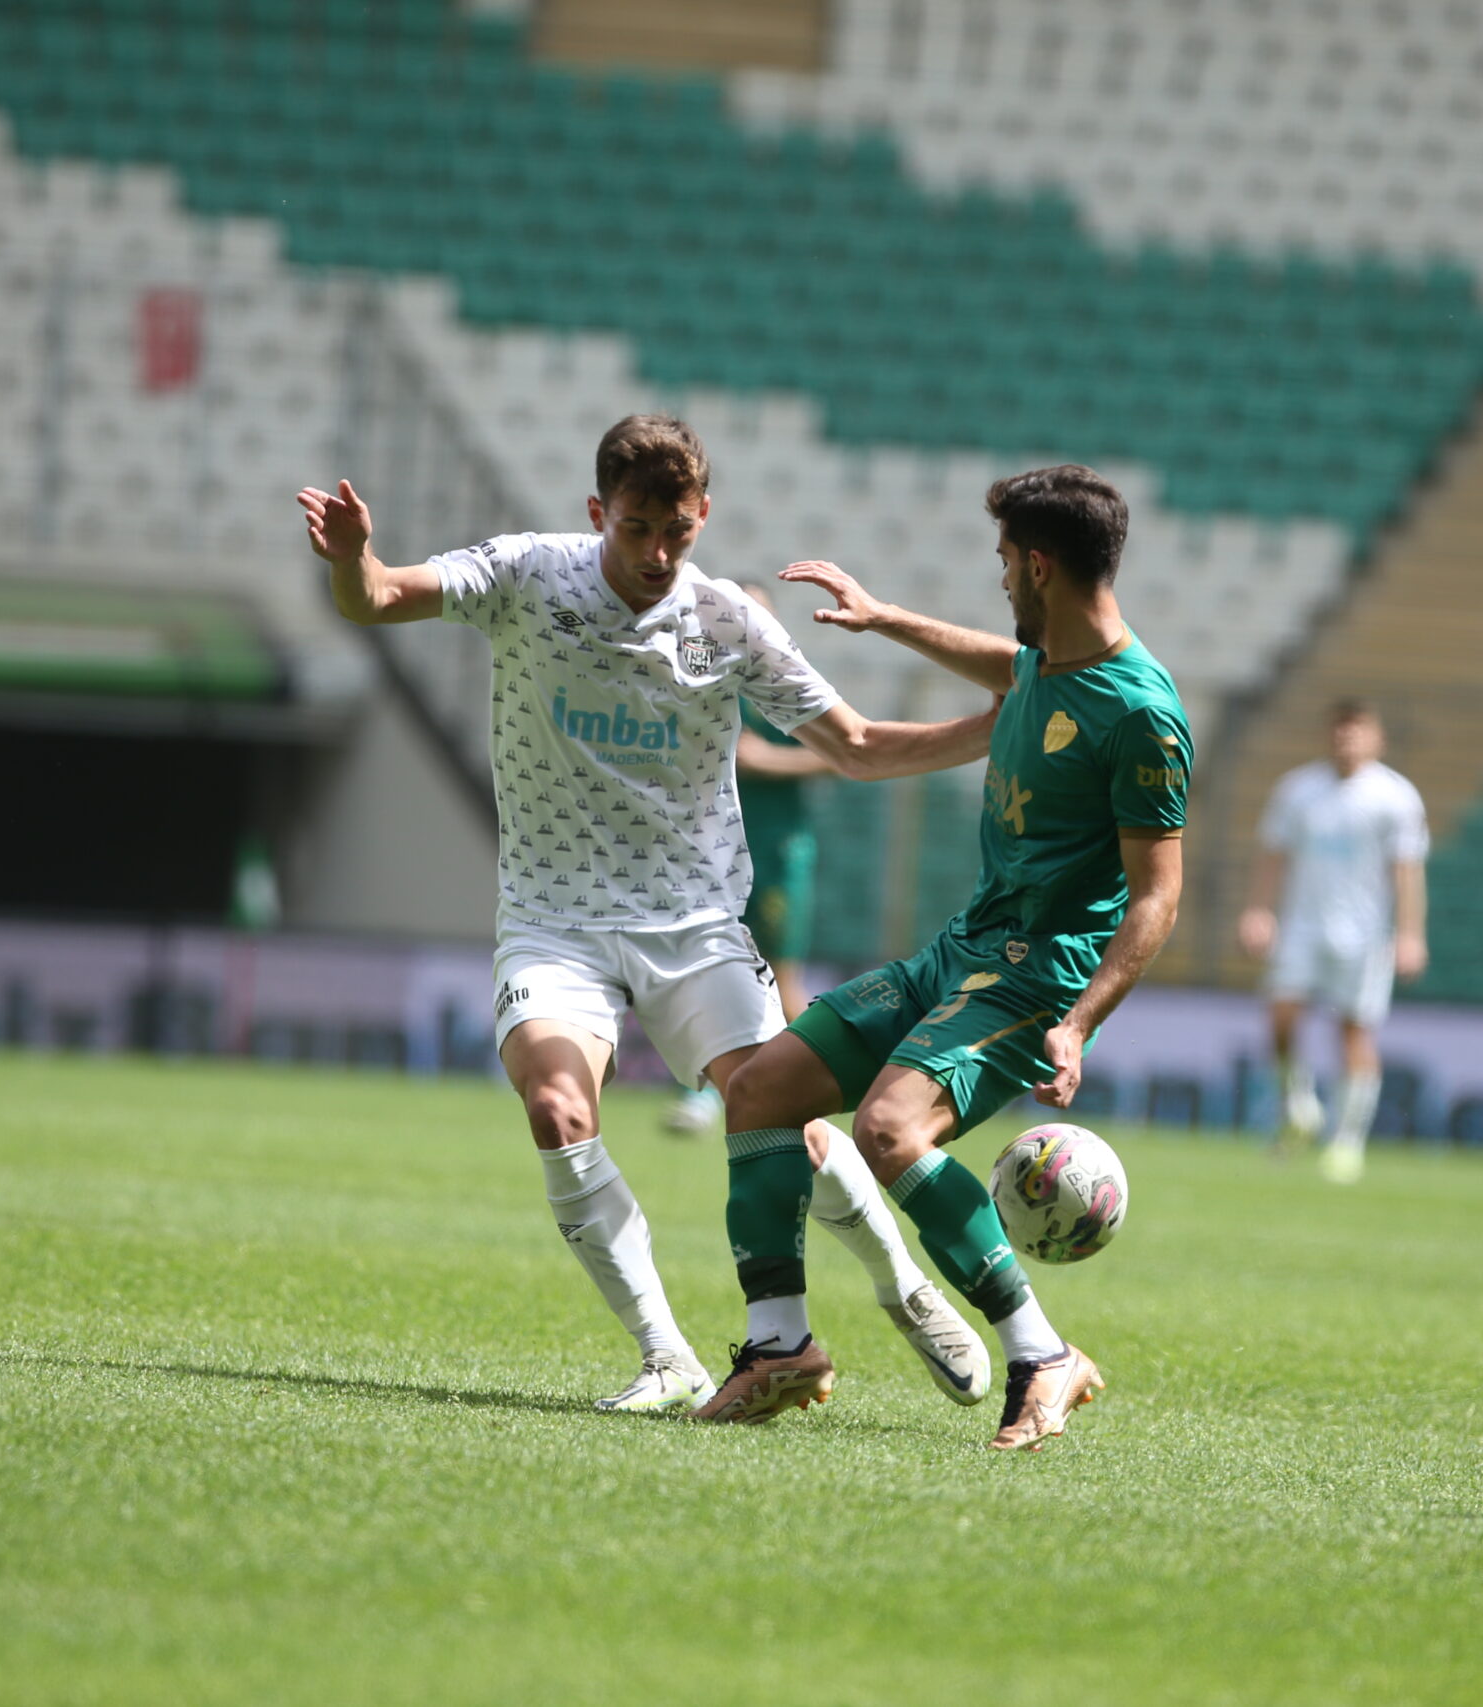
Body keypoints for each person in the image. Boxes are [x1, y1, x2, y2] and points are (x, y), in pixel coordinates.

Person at [298, 415, 994, 1414]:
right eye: (636, 530)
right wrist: (353, 560)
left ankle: (906, 1287)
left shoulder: (727, 620)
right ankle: (668, 1356)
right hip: (553, 920)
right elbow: (376, 599)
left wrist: (997, 726)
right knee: (557, 1109)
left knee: (782, 1124)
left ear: (702, 516)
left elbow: (860, 744)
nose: (658, 553)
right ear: (598, 515)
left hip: (694, 923)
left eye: (678, 530)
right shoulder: (527, 574)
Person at [696, 464, 1192, 1451]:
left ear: (1040, 567)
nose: (1000, 577)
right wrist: (885, 619)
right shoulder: (1042, 661)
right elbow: (1010, 669)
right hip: (960, 951)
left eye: (1006, 561)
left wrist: (1076, 1020)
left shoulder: (1143, 715)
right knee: (760, 1089)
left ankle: (1042, 1357)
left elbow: (1159, 896)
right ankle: (777, 1348)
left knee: (888, 1132)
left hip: (1032, 978)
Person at [1235, 700, 1429, 1184]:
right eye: (1340, 731)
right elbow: (1272, 856)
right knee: (1280, 1018)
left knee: (1355, 1034)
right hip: (1302, 926)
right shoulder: (1298, 790)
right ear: (1329, 736)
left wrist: (1410, 934)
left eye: (1358, 731)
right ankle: (1298, 1107)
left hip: (1364, 935)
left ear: (1376, 738)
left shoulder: (1395, 796)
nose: (1347, 740)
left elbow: (1407, 873)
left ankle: (1347, 1141)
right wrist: (1259, 910)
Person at [665, 589, 833, 1137]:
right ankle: (705, 1097)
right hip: (712, 854)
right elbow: (744, 757)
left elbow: (823, 745)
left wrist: (829, 756)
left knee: (783, 983)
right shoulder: (701, 681)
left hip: (778, 854)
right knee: (704, 972)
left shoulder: (783, 685)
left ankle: (819, 1087)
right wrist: (824, 758)